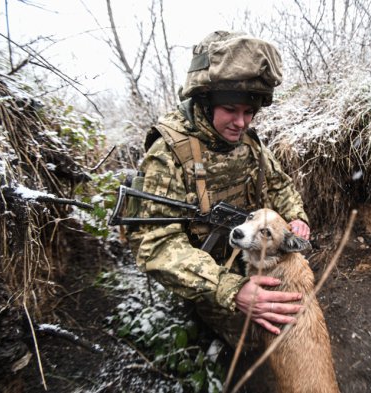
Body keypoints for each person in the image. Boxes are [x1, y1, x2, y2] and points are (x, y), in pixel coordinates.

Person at [132, 31, 311, 346]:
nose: (241, 123)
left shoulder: (250, 144)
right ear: (205, 101)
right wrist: (231, 290)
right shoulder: (169, 153)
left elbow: (280, 185)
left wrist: (297, 217)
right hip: (204, 274)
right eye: (231, 109)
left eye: (248, 112)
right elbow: (156, 246)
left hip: (248, 253)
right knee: (257, 333)